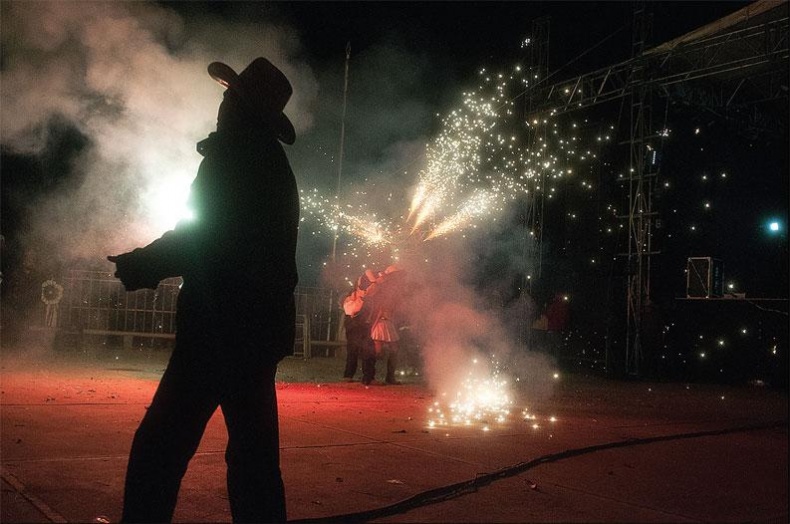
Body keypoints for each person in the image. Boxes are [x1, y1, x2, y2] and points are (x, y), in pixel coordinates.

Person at [107, 57, 299, 523]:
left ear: (240, 107)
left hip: (220, 326)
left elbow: (203, 238)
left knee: (160, 446)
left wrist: (142, 264)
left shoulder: (233, 158)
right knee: (254, 459)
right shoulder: (268, 161)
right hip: (258, 329)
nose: (222, 104)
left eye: (229, 96)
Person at [363, 265, 404, 385]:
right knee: (375, 351)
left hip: (387, 321)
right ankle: (369, 377)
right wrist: (373, 325)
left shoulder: (392, 288)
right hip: (380, 321)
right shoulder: (382, 286)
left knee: (394, 349)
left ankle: (389, 377)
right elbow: (379, 307)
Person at [341, 276, 371, 381]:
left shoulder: (368, 295)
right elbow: (351, 310)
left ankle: (368, 377)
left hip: (364, 325)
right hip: (354, 326)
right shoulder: (351, 296)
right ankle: (348, 375)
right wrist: (361, 299)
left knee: (367, 350)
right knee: (353, 350)